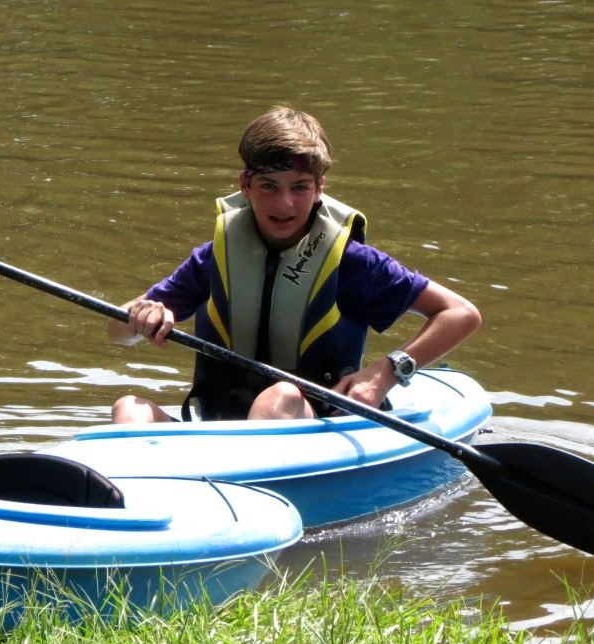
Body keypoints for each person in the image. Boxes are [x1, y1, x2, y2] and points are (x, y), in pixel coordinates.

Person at [107, 106, 482, 423]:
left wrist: (386, 372)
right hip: (218, 434)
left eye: (299, 187)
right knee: (129, 409)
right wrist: (140, 315)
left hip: (313, 429)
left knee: (280, 398)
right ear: (245, 185)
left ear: (320, 187)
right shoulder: (213, 258)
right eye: (269, 185)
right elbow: (117, 332)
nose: (284, 204)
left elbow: (460, 313)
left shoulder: (352, 263)